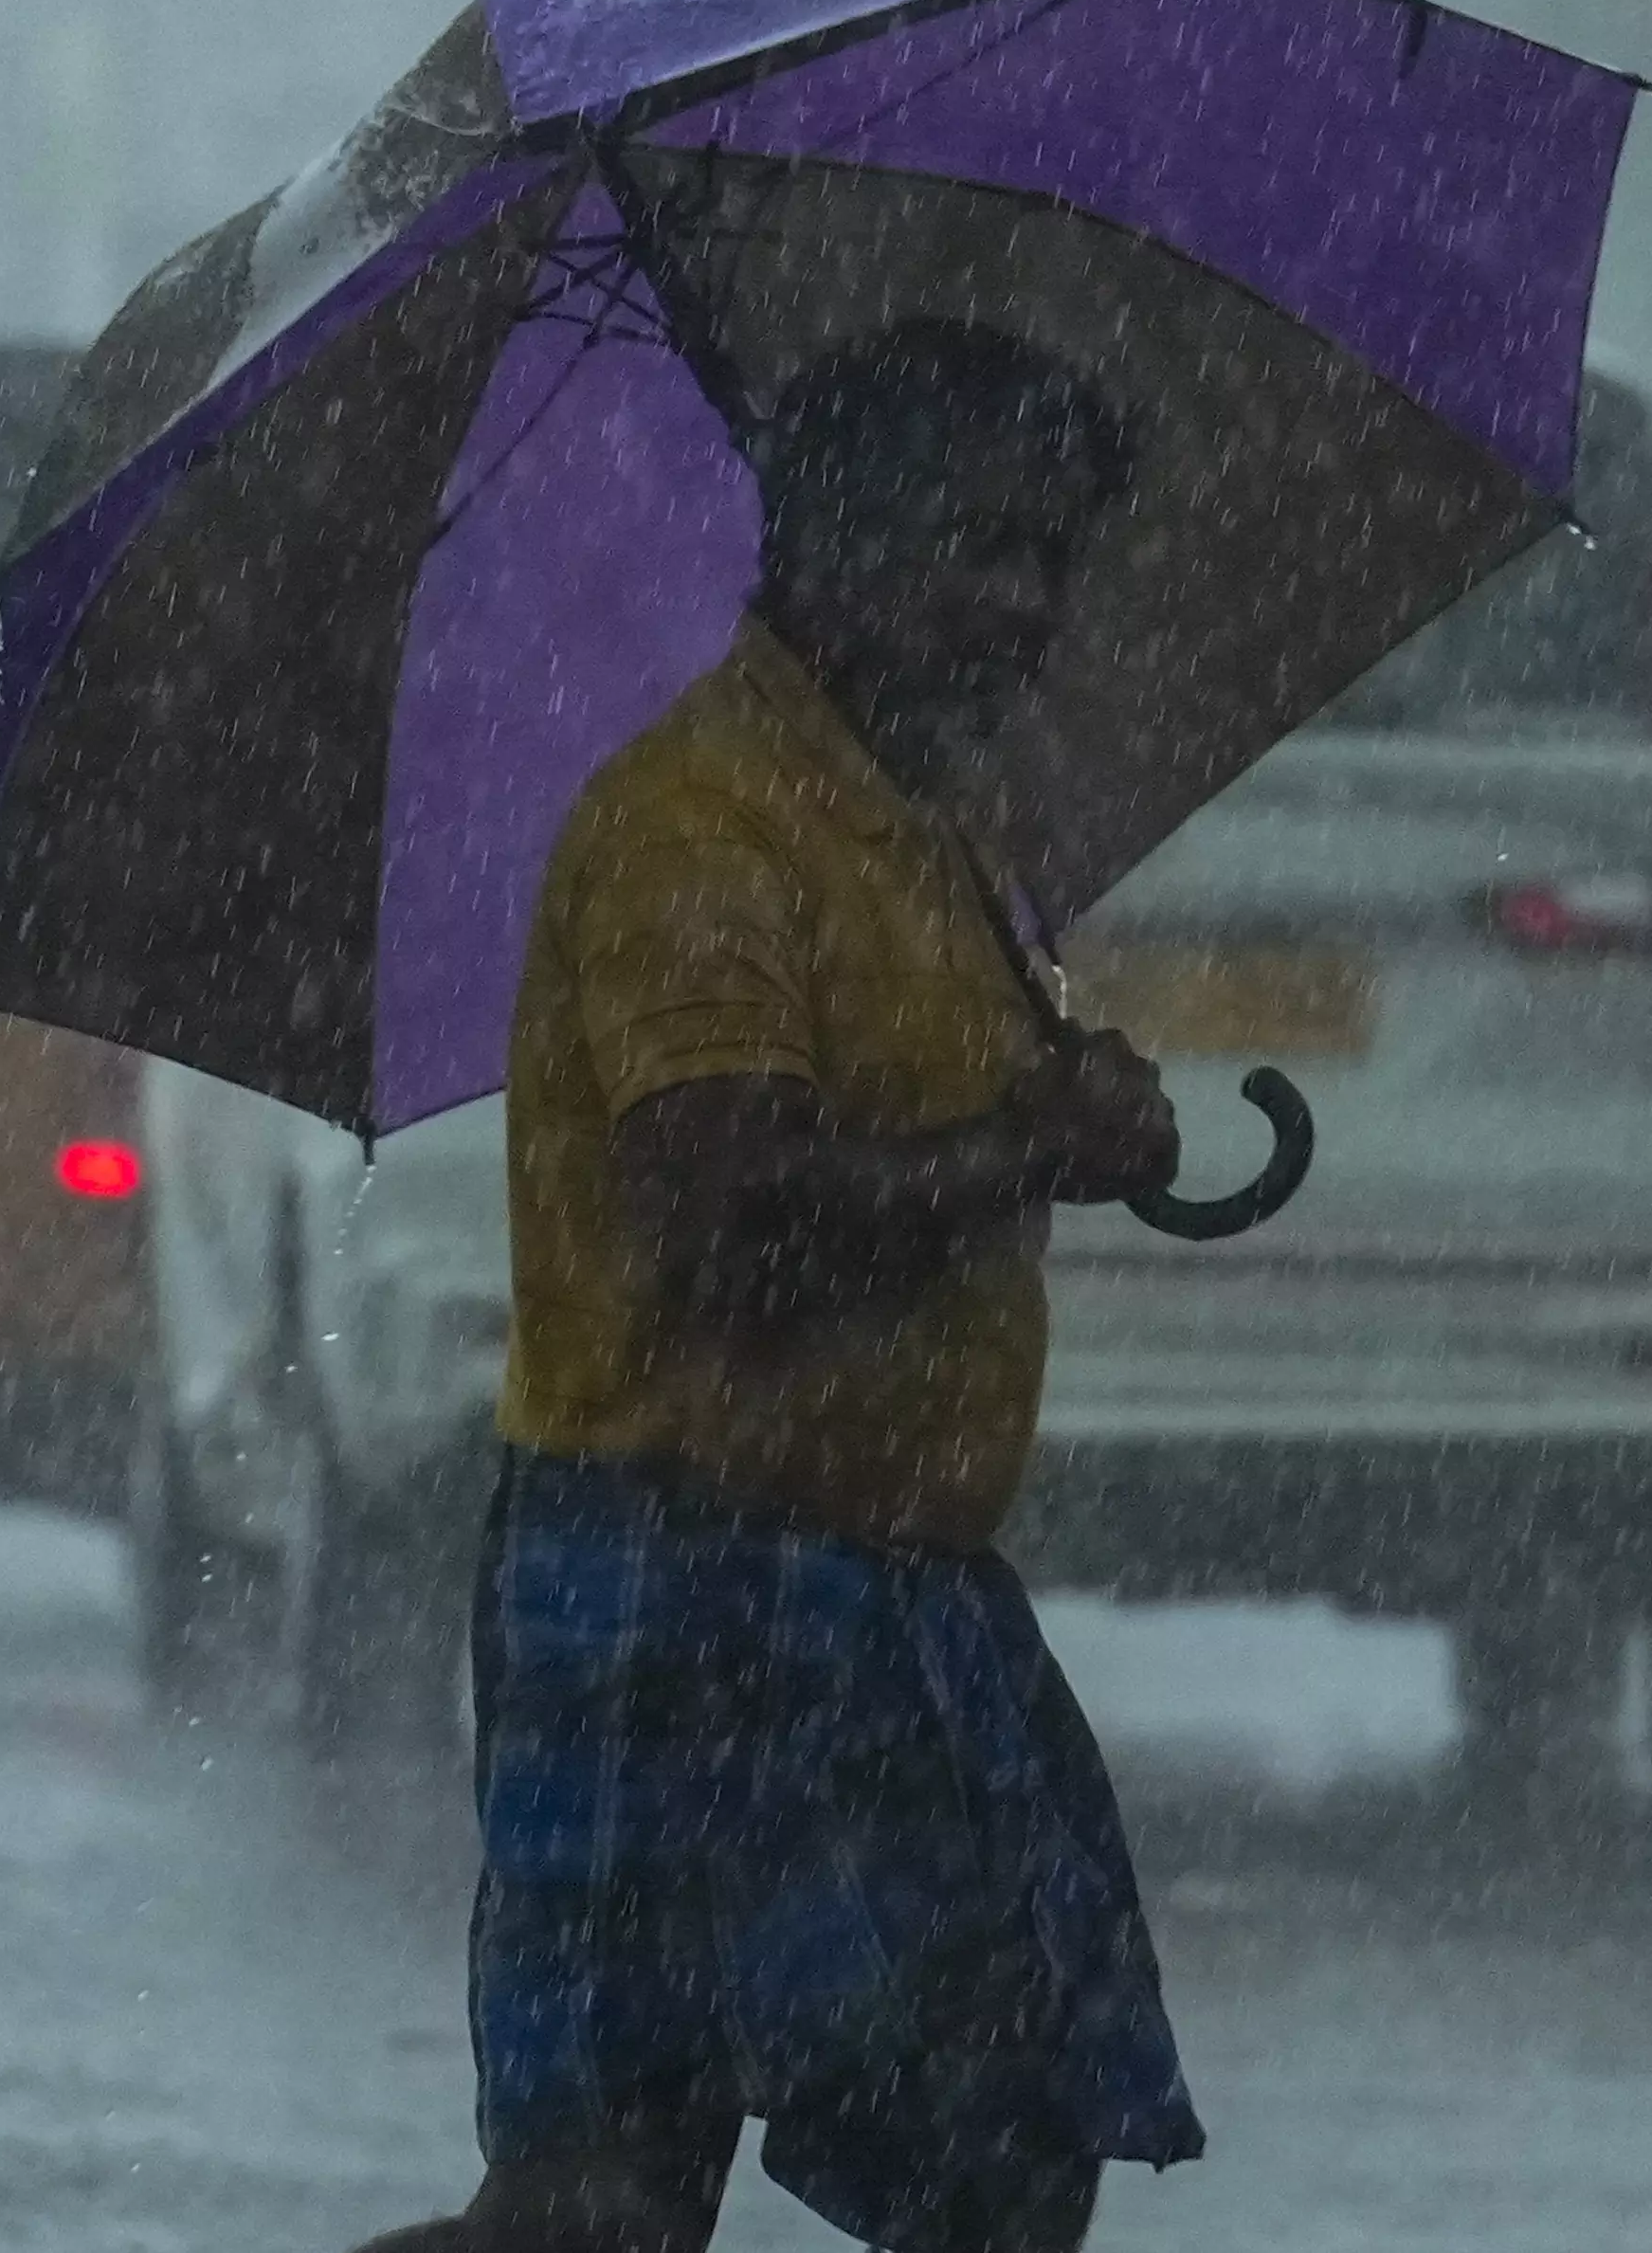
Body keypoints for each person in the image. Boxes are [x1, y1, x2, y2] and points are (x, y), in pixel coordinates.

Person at [354, 319, 1202, 2253]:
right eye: (974, 546)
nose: (1021, 602)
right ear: (822, 537)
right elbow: (727, 1211)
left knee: (984, 2153)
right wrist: (1026, 1151)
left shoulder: (923, 822)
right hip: (682, 1568)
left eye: (1049, 557)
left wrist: (1073, 1102)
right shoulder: (702, 826)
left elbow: (942, 1115)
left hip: (888, 1581)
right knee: (612, 2207)